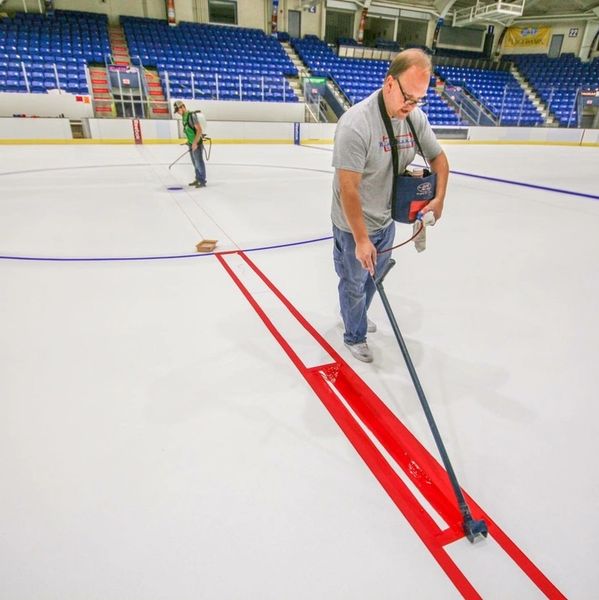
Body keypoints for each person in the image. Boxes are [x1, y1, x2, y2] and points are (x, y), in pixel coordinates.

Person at [332, 48, 449, 363]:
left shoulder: (413, 118)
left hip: (385, 221)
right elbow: (348, 189)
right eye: (407, 97)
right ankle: (354, 334)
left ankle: (355, 314)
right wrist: (361, 240)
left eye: (419, 100)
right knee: (354, 281)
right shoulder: (356, 124)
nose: (411, 106)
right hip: (353, 224)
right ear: (389, 84)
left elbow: (439, 160)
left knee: (375, 276)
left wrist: (438, 199)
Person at [174, 100, 207, 188]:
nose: (178, 112)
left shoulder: (191, 116)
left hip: (197, 144)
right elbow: (190, 131)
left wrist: (195, 143)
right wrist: (188, 142)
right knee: (195, 163)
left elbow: (199, 130)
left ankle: (202, 181)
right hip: (191, 144)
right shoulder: (183, 118)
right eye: (177, 111)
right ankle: (198, 179)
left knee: (199, 162)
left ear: (182, 107)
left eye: (178, 110)